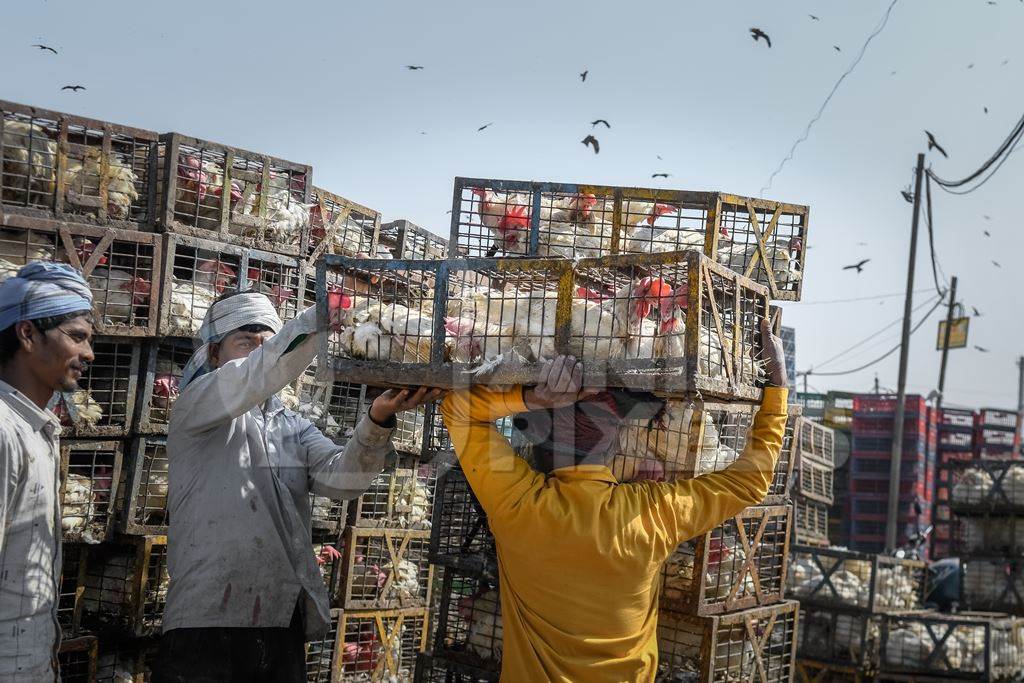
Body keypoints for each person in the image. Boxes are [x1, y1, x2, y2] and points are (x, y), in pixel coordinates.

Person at [441, 320, 789, 682]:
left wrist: (534, 398)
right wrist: (776, 390)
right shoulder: (652, 515)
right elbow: (751, 482)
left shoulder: (518, 505)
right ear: (613, 445)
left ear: (541, 447)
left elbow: (456, 410)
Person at [154, 291, 441, 683]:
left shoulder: (291, 426)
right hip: (208, 618)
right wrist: (322, 316)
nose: (259, 346)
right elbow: (261, 371)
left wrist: (378, 419)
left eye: (266, 337)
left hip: (279, 617)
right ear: (215, 353)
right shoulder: (198, 405)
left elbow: (345, 480)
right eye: (247, 338)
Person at [0, 262, 95, 681]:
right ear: (27, 334)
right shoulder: (4, 431)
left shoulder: (36, 429)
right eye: (77, 337)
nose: (89, 354)